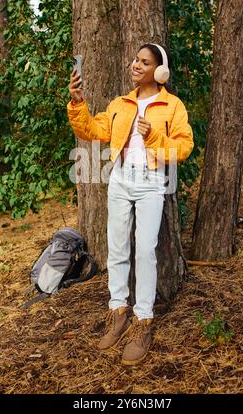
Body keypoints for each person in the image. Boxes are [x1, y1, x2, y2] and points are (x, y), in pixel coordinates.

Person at [67, 43, 194, 366]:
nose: (135, 65)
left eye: (144, 61)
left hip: (152, 181)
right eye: (135, 60)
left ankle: (143, 322)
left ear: (159, 71)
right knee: (118, 248)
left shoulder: (172, 105)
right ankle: (118, 312)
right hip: (121, 179)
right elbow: (94, 131)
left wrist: (153, 137)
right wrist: (78, 104)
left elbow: (183, 147)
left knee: (145, 250)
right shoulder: (120, 104)